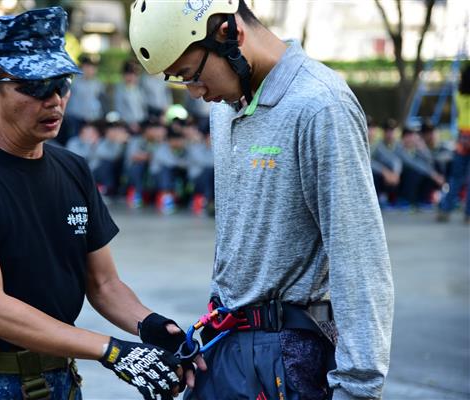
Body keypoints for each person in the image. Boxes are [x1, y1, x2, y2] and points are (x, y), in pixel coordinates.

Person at [0, 7, 202, 400]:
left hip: (58, 382)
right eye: (35, 86)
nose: (55, 101)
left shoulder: (73, 169)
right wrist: (112, 351)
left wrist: (149, 325)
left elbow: (103, 282)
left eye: (62, 84)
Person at [129, 1, 394, 400]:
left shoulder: (320, 106)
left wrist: (357, 387)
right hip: (223, 341)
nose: (196, 94)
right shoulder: (226, 107)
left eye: (191, 75)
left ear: (227, 33)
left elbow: (359, 258)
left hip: (287, 355)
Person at [438, 64, 470, 223]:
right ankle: (468, 214)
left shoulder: (459, 96)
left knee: (456, 177)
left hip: (463, 138)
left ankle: (445, 209)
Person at [59, 55, 106, 145]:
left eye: (93, 67)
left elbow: (98, 102)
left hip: (91, 119)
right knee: (73, 141)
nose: (90, 70)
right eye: (87, 67)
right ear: (82, 67)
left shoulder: (98, 84)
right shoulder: (73, 82)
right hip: (74, 118)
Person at [395, 127, 445, 208]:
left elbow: (430, 161)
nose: (411, 139)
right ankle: (405, 199)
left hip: (415, 176)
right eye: (408, 136)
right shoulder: (399, 149)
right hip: (400, 180)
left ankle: (424, 199)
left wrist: (423, 148)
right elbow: (412, 164)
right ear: (403, 138)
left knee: (432, 168)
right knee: (414, 172)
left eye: (413, 136)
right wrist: (433, 175)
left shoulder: (416, 149)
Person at [114, 61, 147, 134]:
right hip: (126, 125)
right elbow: (119, 109)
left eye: (135, 74)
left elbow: (143, 107)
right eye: (129, 74)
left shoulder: (139, 89)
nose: (131, 77)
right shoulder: (120, 90)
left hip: (141, 124)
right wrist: (130, 123)